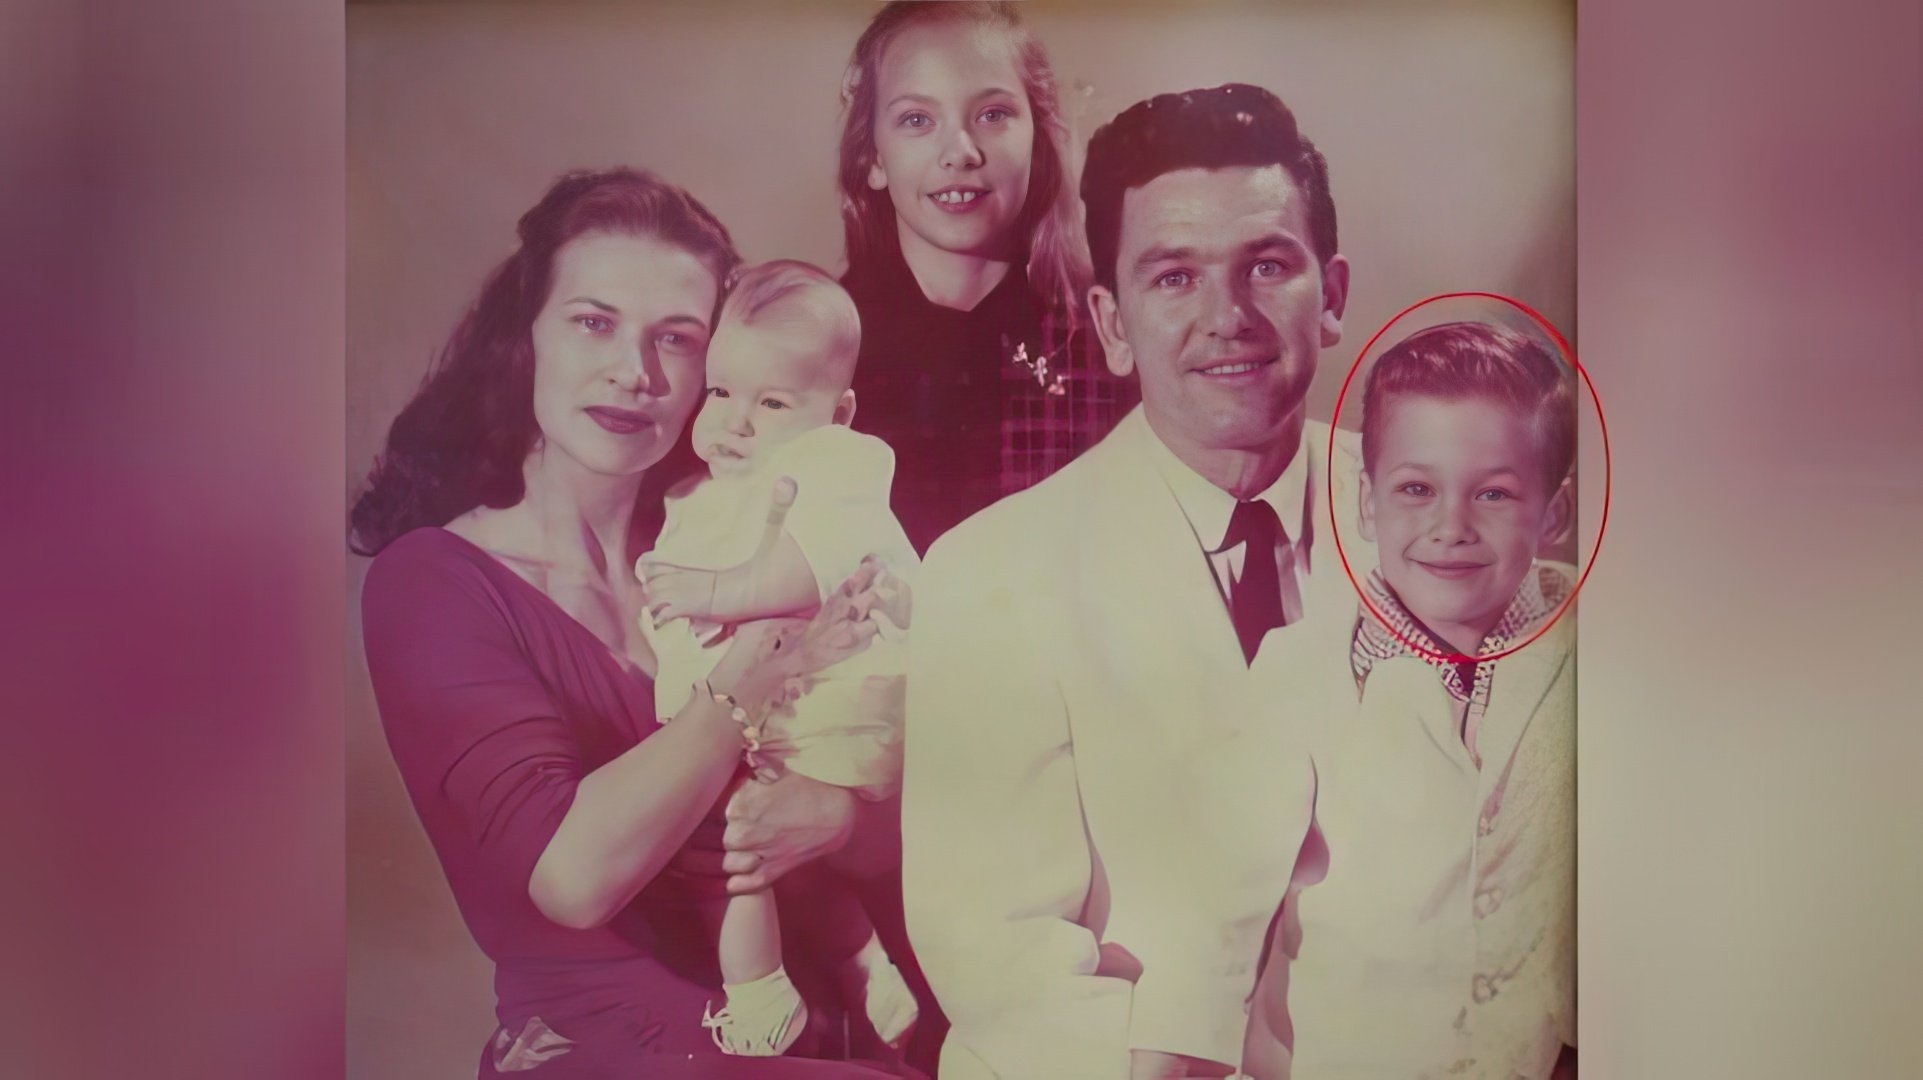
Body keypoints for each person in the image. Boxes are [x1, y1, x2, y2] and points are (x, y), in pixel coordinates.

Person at [352, 168, 902, 1078]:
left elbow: (882, 812)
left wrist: (836, 817)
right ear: (524, 338)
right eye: (594, 322)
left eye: (675, 339)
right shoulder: (436, 583)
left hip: (828, 1029)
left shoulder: (738, 546)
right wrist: (739, 692)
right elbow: (574, 878)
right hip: (615, 1054)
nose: (634, 373)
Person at [902, 85, 1363, 1079]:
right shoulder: (992, 574)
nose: (1226, 317)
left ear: (1330, 295)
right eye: (1174, 277)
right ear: (1111, 323)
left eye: (1268, 266)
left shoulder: (1439, 523)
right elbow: (999, 957)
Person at [1242, 321, 1578, 1079]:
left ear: (1552, 514)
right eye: (1416, 489)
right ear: (1366, 502)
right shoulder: (1296, 674)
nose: (1449, 527)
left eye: (1493, 492)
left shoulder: (1596, 666)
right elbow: (1221, 902)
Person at [634, 260, 921, 1057]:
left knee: (731, 831)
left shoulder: (839, 463)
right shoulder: (700, 497)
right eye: (721, 393)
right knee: (780, 857)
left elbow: (797, 574)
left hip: (846, 689)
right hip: (778, 694)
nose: (735, 423)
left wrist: (709, 592)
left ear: (839, 412)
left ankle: (759, 997)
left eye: (771, 403)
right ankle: (867, 970)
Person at [835, 0, 1131, 555]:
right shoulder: (817, 350)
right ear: (873, 157)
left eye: (992, 114)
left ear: (1040, 143)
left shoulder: (1112, 345)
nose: (960, 152)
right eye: (917, 120)